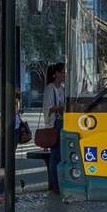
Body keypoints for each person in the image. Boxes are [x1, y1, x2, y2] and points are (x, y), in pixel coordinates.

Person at [42, 62, 66, 193]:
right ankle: (55, 184)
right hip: (55, 123)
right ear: (56, 74)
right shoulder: (50, 88)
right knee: (56, 155)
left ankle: (59, 183)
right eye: (62, 72)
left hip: (62, 122)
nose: (64, 75)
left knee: (61, 155)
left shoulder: (62, 89)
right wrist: (63, 107)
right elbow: (49, 107)